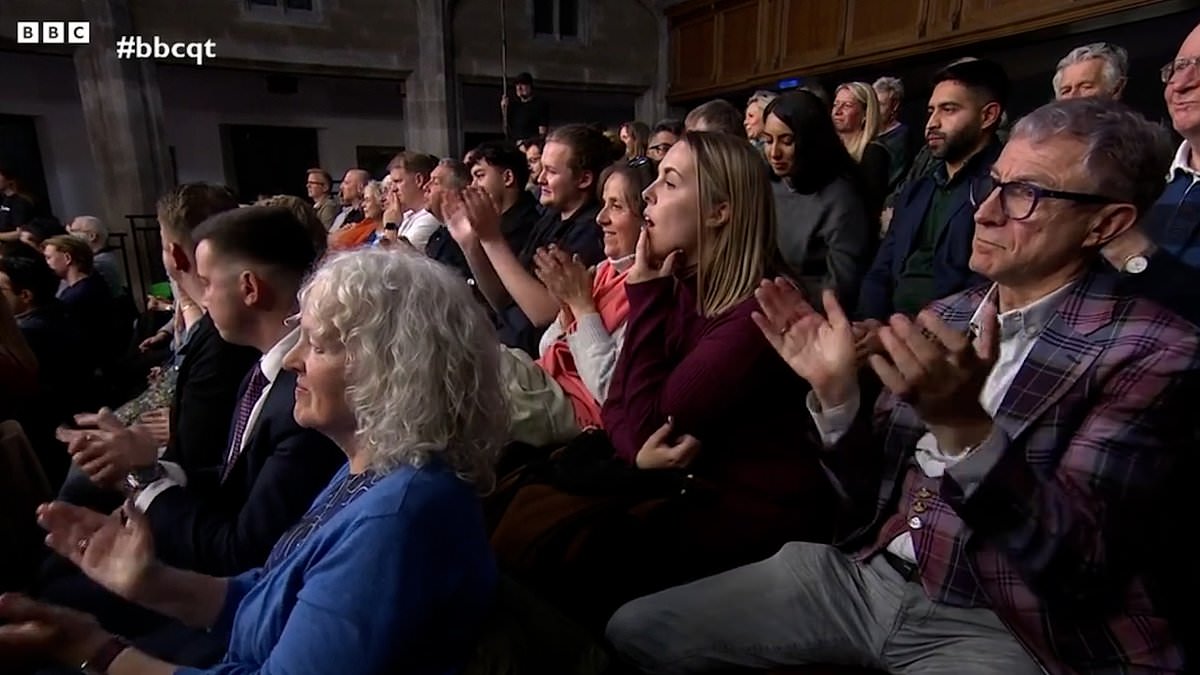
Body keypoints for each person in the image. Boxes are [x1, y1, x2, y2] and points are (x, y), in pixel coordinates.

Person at [606, 97, 1197, 675]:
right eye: (994, 184)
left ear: (1106, 223)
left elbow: (1078, 568)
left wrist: (965, 433)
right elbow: (865, 499)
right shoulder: (952, 313)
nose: (985, 211)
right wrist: (838, 397)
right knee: (632, 630)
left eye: (1026, 195)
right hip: (866, 578)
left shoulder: (1155, 350)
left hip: (1005, 622)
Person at [0, 248, 506, 675]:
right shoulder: (375, 468)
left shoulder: (400, 520)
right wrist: (149, 581)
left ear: (393, 370)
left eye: (319, 345)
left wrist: (95, 650)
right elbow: (268, 597)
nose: (292, 360)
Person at [501, 159, 654, 446]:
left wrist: (582, 307)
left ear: (648, 218)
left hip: (574, 409)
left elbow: (610, 389)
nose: (601, 218)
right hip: (542, 380)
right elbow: (547, 348)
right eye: (603, 203)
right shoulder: (606, 269)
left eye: (617, 206)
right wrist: (566, 306)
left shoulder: (650, 289)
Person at [447, 124, 616, 356]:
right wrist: (471, 244)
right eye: (541, 169)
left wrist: (492, 238)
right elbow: (503, 300)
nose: (539, 178)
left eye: (552, 171)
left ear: (584, 179)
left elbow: (543, 313)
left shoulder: (591, 231)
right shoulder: (550, 217)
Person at [761, 91, 874, 308]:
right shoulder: (767, 184)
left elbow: (842, 286)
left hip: (809, 312)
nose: (774, 152)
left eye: (787, 141)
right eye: (767, 140)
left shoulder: (842, 198)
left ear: (810, 141)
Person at [503, 72, 549, 140]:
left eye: (522, 84)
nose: (519, 88)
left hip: (530, 144)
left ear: (530, 86)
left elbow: (542, 134)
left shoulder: (539, 105)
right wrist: (504, 109)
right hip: (514, 144)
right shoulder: (514, 106)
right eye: (517, 85)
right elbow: (506, 130)